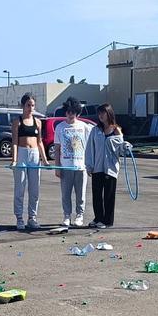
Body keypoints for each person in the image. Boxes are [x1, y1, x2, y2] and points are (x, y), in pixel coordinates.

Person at [86, 103, 131, 229]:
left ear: (109, 113)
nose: (100, 115)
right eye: (99, 113)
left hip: (110, 168)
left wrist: (125, 146)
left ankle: (107, 220)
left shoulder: (116, 130)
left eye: (103, 113)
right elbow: (90, 149)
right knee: (96, 195)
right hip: (97, 167)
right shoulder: (95, 130)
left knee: (109, 195)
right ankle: (98, 218)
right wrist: (89, 165)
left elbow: (121, 150)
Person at [10, 93, 49, 230]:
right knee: (20, 188)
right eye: (28, 105)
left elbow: (40, 142)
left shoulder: (38, 122)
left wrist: (44, 160)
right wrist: (14, 160)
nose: (30, 108)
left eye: (32, 105)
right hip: (21, 153)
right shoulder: (17, 121)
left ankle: (32, 217)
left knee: (35, 189)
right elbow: (14, 142)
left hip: (34, 155)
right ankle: (19, 218)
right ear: (22, 106)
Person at [54, 97, 93, 227]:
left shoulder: (84, 127)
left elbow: (90, 146)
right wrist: (57, 167)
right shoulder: (60, 127)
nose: (70, 114)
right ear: (65, 112)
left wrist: (89, 164)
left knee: (80, 194)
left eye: (73, 112)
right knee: (65, 194)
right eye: (68, 112)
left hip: (81, 167)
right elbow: (57, 149)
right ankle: (66, 216)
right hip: (66, 167)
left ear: (77, 113)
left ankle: (79, 215)